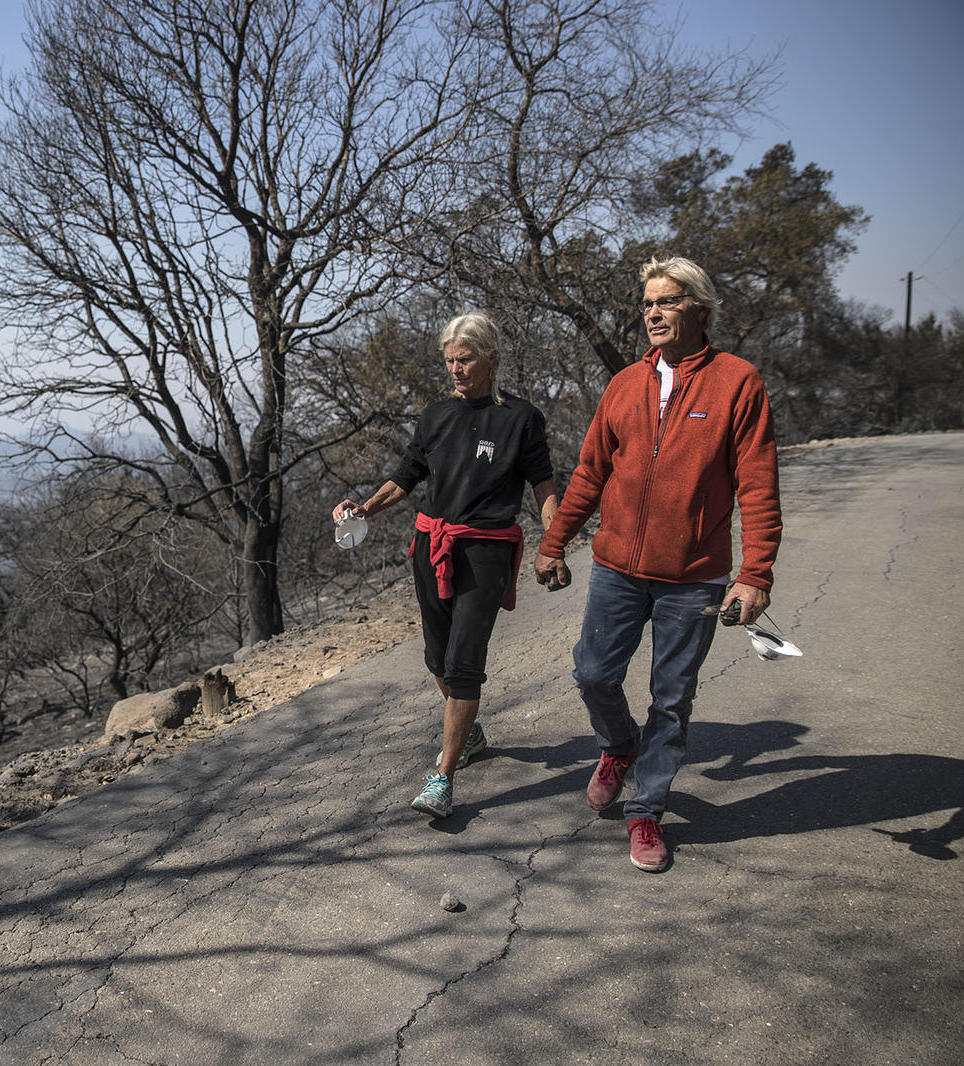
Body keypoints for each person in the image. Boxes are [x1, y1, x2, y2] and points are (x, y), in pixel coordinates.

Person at [534, 255, 782, 873]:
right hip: (617, 566)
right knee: (592, 673)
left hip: (693, 577)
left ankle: (645, 809)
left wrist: (755, 573)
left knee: (671, 700)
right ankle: (618, 747)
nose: (653, 313)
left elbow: (757, 485)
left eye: (667, 302)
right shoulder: (625, 384)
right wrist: (553, 541)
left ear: (699, 307)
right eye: (647, 303)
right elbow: (591, 471)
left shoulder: (737, 383)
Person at [335, 311, 559, 820]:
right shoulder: (435, 415)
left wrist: (556, 537)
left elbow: (544, 485)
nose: (456, 369)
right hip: (429, 545)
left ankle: (444, 777)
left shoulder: (521, 419)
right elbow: (404, 478)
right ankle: (471, 732)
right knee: (437, 658)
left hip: (485, 551)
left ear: (491, 359)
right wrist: (363, 508)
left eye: (466, 359)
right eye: (450, 361)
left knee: (462, 663)